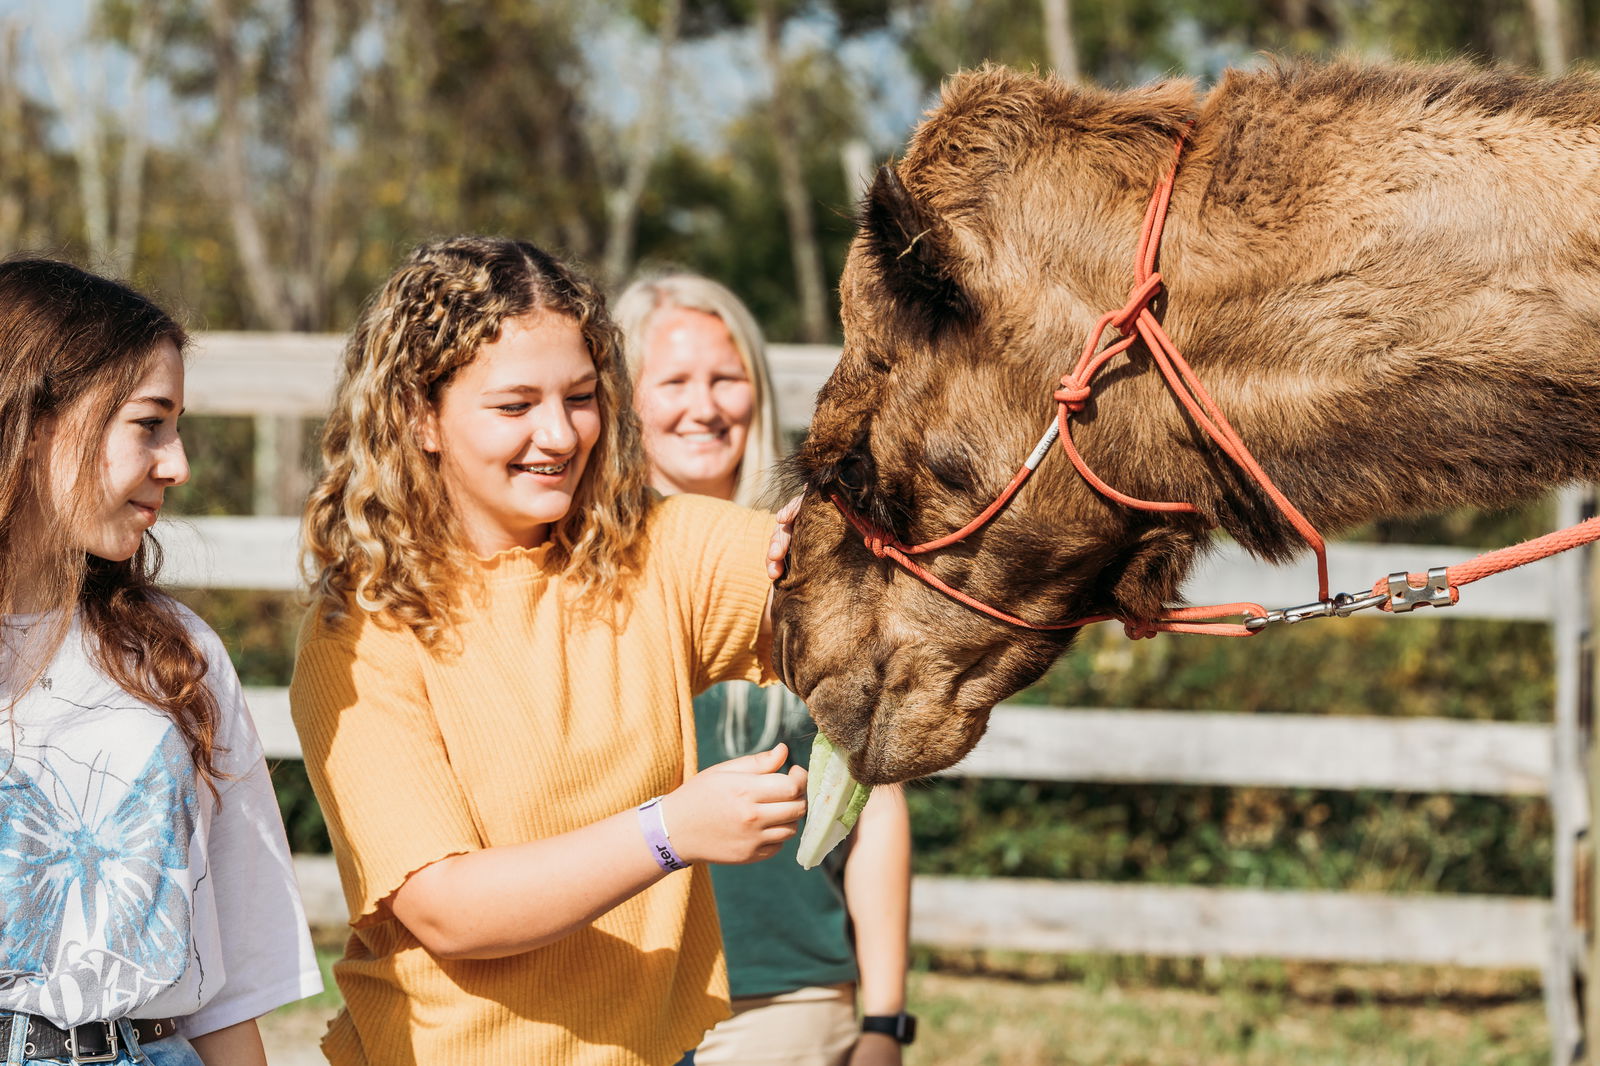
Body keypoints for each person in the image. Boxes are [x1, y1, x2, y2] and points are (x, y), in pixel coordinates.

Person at [290, 237, 808, 1066]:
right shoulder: (359, 634)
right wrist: (672, 830)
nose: (561, 434)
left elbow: (840, 596)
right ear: (420, 416)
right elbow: (447, 908)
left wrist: (838, 542)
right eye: (515, 405)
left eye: (580, 396)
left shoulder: (656, 551)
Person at [0, 258, 323, 1066]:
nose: (177, 464)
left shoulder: (178, 656)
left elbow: (234, 971)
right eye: (149, 424)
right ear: (35, 419)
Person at [617, 274, 915, 1066]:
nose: (704, 405)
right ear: (621, 401)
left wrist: (885, 1020)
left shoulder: (819, 566)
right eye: (673, 381)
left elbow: (874, 807)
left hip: (780, 996)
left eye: (726, 377)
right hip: (614, 995)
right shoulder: (589, 579)